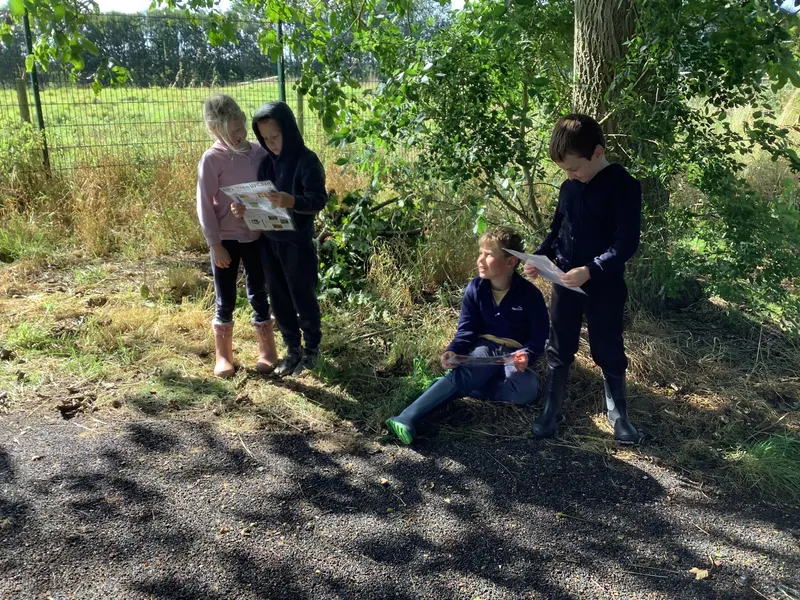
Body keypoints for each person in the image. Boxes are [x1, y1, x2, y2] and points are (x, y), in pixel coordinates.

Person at [525, 113, 642, 444]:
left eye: (574, 168)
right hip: (564, 281)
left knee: (607, 345)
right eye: (564, 171)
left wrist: (591, 269)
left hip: (603, 284)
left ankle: (618, 414)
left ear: (597, 153)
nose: (570, 175)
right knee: (559, 345)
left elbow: (626, 243)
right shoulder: (569, 187)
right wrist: (540, 257)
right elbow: (557, 231)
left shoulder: (624, 186)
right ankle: (551, 409)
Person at [385, 227, 550, 445]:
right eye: (480, 253)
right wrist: (454, 350)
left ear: (511, 262)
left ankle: (454, 386)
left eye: (489, 255)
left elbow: (539, 338)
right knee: (475, 366)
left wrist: (527, 355)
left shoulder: (531, 295)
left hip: (513, 355)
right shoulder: (475, 288)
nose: (480, 260)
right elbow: (467, 329)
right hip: (486, 348)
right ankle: (406, 417)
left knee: (528, 390)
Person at [232, 101, 328, 377]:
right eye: (265, 138)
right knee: (278, 297)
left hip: (297, 243)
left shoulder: (306, 161)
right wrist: (243, 209)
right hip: (269, 243)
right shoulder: (266, 164)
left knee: (302, 295)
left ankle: (311, 350)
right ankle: (292, 349)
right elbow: (260, 201)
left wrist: (293, 200)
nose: (271, 143)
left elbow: (318, 199)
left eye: (276, 136)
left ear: (289, 130)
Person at [197, 94, 278, 378]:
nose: (240, 135)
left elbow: (269, 192)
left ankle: (268, 350)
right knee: (226, 295)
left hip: (257, 236)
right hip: (226, 240)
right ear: (215, 130)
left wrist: (256, 208)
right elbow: (204, 204)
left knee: (259, 290)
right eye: (232, 131)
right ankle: (224, 355)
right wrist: (214, 243)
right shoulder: (212, 159)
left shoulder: (259, 153)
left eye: (241, 127)